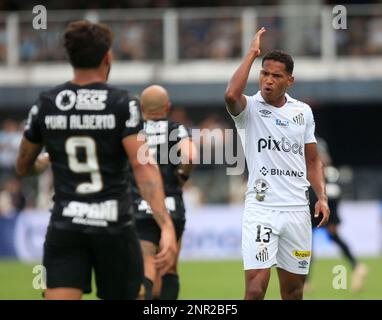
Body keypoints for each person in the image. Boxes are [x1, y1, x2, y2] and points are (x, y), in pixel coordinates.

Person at [15, 20, 177, 300]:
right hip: (114, 226)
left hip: (66, 225)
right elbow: (143, 166)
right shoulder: (123, 103)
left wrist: (44, 161)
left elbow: (22, 165)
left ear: (70, 57)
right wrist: (166, 225)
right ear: (108, 56)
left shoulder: (46, 103)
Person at [224, 27, 330, 300]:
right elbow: (230, 97)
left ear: (290, 81)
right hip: (261, 210)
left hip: (297, 212)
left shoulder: (302, 112)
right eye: (264, 73)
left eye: (276, 76)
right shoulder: (249, 109)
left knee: (294, 292)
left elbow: (312, 159)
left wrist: (322, 196)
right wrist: (251, 54)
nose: (268, 81)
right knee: (256, 288)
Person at [128, 85, 197, 300]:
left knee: (146, 268)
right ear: (167, 107)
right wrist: (182, 176)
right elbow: (190, 157)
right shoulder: (177, 128)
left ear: (141, 107)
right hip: (171, 205)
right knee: (169, 269)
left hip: (140, 204)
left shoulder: (133, 130)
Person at [306, 137, 368, 293]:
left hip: (322, 203)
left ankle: (305, 281)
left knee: (309, 241)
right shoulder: (323, 165)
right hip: (325, 202)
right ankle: (356, 265)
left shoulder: (321, 164)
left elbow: (331, 187)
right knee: (330, 236)